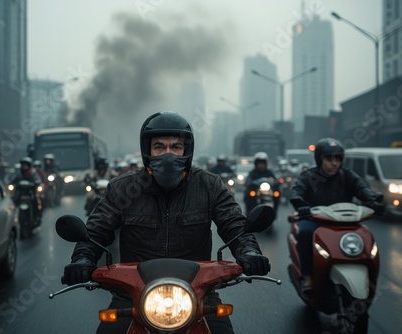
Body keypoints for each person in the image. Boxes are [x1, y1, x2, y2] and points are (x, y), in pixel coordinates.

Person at [63, 111, 271, 334]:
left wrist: (248, 252)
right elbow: (96, 231)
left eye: (176, 147)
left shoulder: (210, 186)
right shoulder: (122, 188)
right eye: (160, 147)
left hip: (199, 293)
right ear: (147, 152)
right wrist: (83, 258)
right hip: (132, 295)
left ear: (186, 151)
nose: (168, 154)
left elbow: (235, 225)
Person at [290, 138, 384, 296]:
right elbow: (296, 193)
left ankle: (369, 276)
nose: (334, 163)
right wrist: (301, 205)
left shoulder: (347, 175)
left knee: (366, 233)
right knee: (305, 231)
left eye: (338, 159)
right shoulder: (309, 177)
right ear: (319, 159)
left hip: (347, 222)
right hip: (316, 221)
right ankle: (307, 276)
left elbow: (362, 189)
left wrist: (373, 202)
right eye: (329, 159)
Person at [9, 157, 43, 224]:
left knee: (36, 203)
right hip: (21, 193)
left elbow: (38, 180)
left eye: (26, 165)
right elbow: (12, 180)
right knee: (14, 202)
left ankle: (36, 217)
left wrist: (36, 183)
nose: (24, 166)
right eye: (23, 165)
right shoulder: (18, 173)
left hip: (30, 192)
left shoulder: (32, 173)